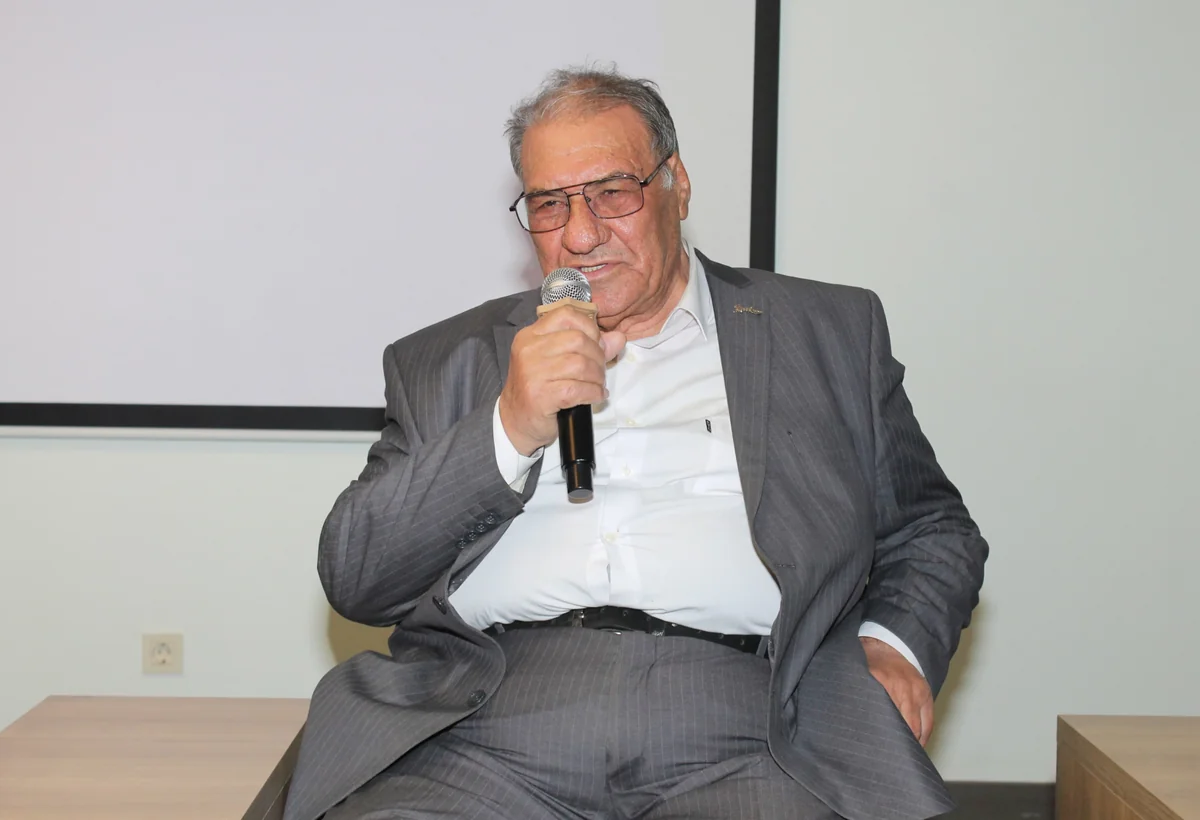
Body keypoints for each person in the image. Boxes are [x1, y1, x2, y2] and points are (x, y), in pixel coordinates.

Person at [283, 66, 988, 820]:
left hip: (753, 727)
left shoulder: (826, 332)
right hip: (483, 722)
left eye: (612, 193)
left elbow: (931, 528)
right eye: (550, 204)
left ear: (676, 184)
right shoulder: (444, 359)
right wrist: (509, 426)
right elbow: (358, 578)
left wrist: (893, 644)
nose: (581, 235)